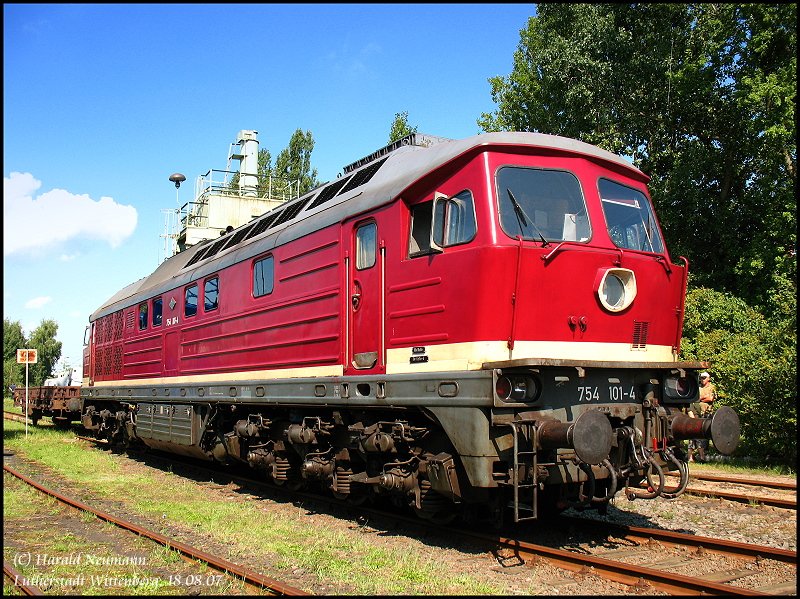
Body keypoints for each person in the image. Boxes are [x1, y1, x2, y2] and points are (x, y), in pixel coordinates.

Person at [688, 372, 716, 462]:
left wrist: (699, 398)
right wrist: (703, 397)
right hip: (696, 413)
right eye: (701, 378)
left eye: (704, 378)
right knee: (693, 433)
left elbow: (710, 398)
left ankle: (702, 456)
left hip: (706, 414)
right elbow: (693, 398)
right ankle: (691, 457)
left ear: (708, 378)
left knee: (703, 435)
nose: (702, 379)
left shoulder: (712, 387)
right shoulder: (698, 388)